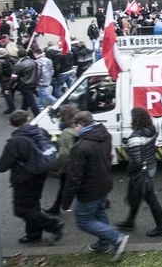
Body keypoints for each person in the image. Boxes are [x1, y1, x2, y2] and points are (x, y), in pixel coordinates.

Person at [61, 111, 129, 259]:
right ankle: (104, 244)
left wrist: (65, 202)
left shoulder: (80, 147)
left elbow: (74, 177)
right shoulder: (105, 136)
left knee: (84, 221)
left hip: (89, 190)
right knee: (99, 213)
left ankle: (116, 238)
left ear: (79, 125)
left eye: (76, 126)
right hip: (104, 183)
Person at [0, 110, 65, 244]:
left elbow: (1, 166)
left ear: (10, 123)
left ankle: (53, 225)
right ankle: (33, 234)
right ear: (28, 119)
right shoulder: (40, 132)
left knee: (21, 210)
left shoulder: (15, 142)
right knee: (33, 205)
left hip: (23, 180)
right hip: (40, 175)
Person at [115, 108, 162, 237]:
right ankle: (130, 221)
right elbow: (154, 149)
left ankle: (161, 228)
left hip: (140, 174)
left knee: (150, 199)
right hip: (150, 168)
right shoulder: (152, 132)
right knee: (136, 195)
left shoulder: (135, 138)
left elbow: (136, 160)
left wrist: (130, 169)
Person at [43, 105, 79, 215]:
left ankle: (56, 207)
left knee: (64, 185)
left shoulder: (67, 132)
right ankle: (104, 201)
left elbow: (65, 154)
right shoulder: (77, 127)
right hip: (79, 162)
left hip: (69, 165)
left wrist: (58, 167)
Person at [8, 49, 40, 117]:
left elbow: (13, 78)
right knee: (26, 100)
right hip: (33, 83)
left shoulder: (19, 65)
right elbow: (38, 72)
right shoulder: (33, 61)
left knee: (32, 102)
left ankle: (37, 115)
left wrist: (8, 88)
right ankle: (22, 112)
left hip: (25, 85)